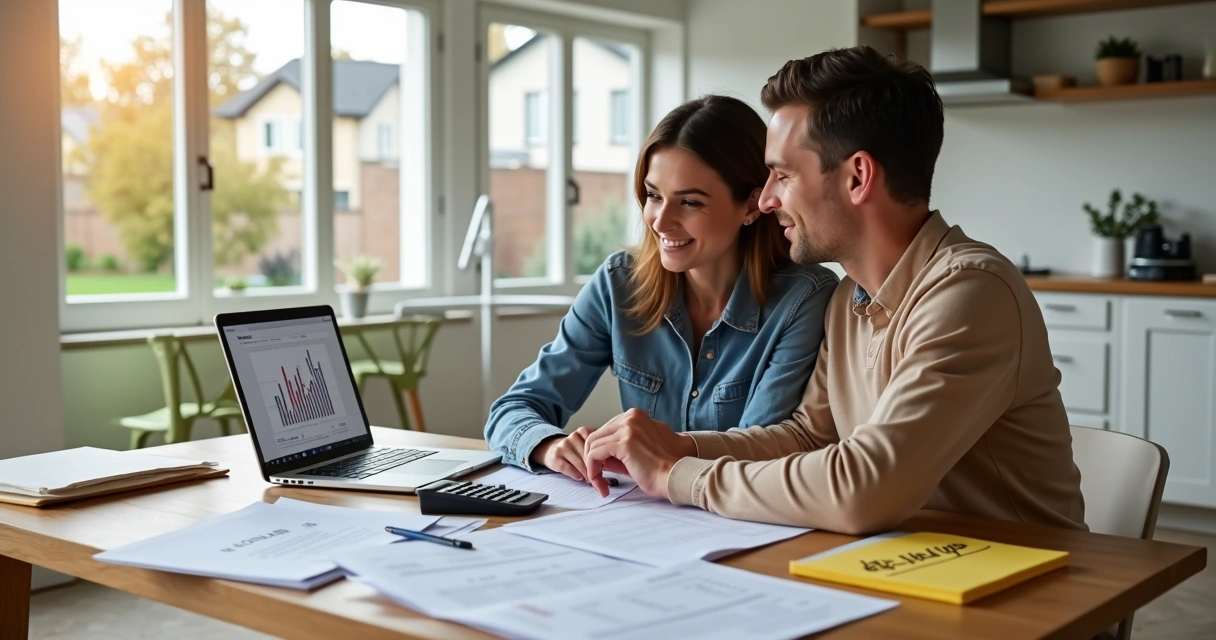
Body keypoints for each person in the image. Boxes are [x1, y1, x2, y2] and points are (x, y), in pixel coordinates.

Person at [580, 47, 1086, 535]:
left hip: (1021, 590)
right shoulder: (850, 299)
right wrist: (680, 445)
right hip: (908, 568)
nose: (769, 197)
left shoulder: (970, 292)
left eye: (782, 174)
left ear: (857, 177)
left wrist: (674, 476)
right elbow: (807, 437)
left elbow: (865, 488)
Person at [484, 95, 838, 481]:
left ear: (752, 206)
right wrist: (548, 446)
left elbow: (762, 451)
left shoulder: (804, 300)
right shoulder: (619, 284)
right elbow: (513, 409)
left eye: (689, 202)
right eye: (654, 195)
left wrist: (661, 452)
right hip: (636, 518)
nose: (660, 221)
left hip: (741, 516)